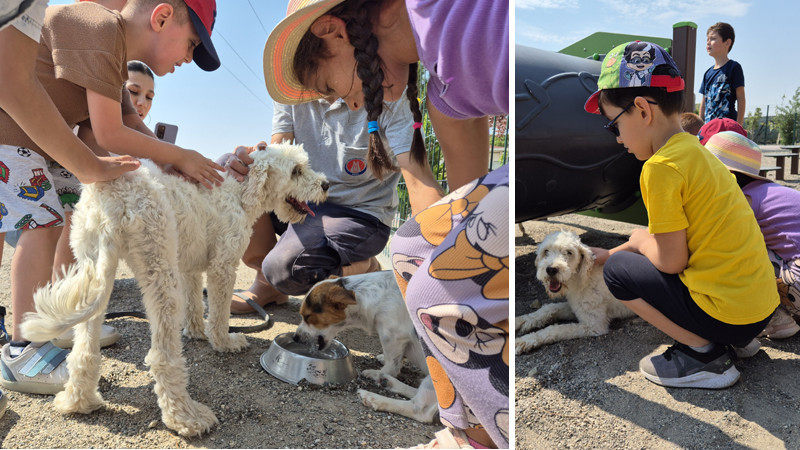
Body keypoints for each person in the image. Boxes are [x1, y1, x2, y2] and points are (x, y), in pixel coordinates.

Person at [263, 1, 509, 448]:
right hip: (318, 207)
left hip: (361, 213)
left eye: (326, 85)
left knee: (428, 270)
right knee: (417, 254)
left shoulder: (461, 31)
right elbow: (456, 204)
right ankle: (471, 423)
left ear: (332, 29)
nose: (343, 101)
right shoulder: (440, 91)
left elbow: (435, 189)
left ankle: (482, 425)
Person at [0, 0, 224, 396]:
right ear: (161, 17)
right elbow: (108, 133)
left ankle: (61, 317)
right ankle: (23, 350)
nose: (188, 59)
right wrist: (181, 156)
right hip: (12, 136)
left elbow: (131, 122)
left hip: (45, 144)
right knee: (42, 224)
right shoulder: (99, 27)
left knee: (70, 217)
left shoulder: (113, 54)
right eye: (191, 45)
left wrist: (171, 161)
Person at [585, 41, 778, 390]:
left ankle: (704, 354)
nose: (617, 139)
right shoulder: (699, 152)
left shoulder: (659, 168)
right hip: (759, 311)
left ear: (643, 110)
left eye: (613, 125)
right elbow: (679, 233)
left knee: (617, 274)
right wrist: (621, 248)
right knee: (624, 256)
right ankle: (738, 341)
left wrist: (638, 243)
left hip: (729, 317)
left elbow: (671, 261)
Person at [224, 93, 443, 313]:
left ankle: (365, 268)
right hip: (308, 203)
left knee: (284, 268)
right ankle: (267, 284)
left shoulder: (389, 92)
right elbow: (280, 152)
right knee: (231, 170)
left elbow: (419, 180)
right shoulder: (290, 90)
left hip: (357, 213)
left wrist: (437, 269)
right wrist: (257, 160)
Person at [703, 131, 800, 339]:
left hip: (797, 285)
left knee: (728, 249)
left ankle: (773, 317)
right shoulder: (770, 191)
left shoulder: (744, 199)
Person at [698, 22, 745, 125]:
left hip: (728, 128)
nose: (708, 42)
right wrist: (700, 129)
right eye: (707, 39)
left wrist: (739, 126)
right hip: (709, 128)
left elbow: (741, 98)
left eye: (713, 39)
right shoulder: (707, 73)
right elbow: (704, 103)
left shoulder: (734, 67)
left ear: (727, 43)